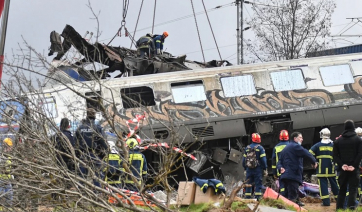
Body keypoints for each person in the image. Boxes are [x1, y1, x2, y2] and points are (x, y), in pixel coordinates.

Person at [277, 132, 317, 206]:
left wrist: (280, 168)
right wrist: (314, 161)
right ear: (295, 139)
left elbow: (279, 162)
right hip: (292, 175)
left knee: (287, 196)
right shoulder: (295, 146)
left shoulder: (286, 148)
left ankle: (295, 203)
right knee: (292, 197)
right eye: (300, 137)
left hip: (285, 176)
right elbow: (306, 153)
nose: (302, 139)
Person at [76, 108, 109, 187]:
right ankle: (97, 193)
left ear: (87, 115)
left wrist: (77, 154)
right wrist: (107, 151)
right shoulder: (97, 127)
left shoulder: (80, 128)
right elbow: (103, 141)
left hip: (84, 155)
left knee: (82, 177)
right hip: (95, 155)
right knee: (97, 176)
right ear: (94, 116)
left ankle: (81, 193)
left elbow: (75, 142)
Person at [333, 120, 362, 210]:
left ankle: (339, 209)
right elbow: (360, 154)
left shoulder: (338, 141)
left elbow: (335, 156)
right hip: (354, 169)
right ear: (353, 127)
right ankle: (351, 209)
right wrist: (353, 165)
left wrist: (342, 165)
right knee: (353, 189)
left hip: (343, 170)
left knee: (342, 190)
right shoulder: (358, 140)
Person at [309, 128, 339, 206]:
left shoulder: (317, 145)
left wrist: (314, 161)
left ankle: (326, 202)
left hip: (321, 169)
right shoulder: (333, 144)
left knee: (323, 186)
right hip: (331, 169)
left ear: (321, 135)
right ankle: (339, 200)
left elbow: (309, 153)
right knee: (334, 185)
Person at [242, 133, 268, 200]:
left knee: (248, 184)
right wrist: (265, 168)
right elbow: (263, 160)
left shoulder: (247, 148)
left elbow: (243, 161)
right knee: (258, 184)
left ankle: (247, 198)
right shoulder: (260, 148)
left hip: (249, 169)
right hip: (257, 169)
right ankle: (257, 199)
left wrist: (245, 168)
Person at [272, 129, 289, 195]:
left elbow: (273, 161)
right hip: (289, 170)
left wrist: (274, 173)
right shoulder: (291, 145)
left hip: (280, 170)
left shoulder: (276, 147)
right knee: (290, 185)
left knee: (282, 187)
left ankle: (283, 198)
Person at [0, 138, 13, 208]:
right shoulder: (1, 156)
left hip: (8, 180)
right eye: (10, 147)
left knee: (9, 198)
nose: (11, 148)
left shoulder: (9, 156)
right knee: (1, 198)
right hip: (1, 180)